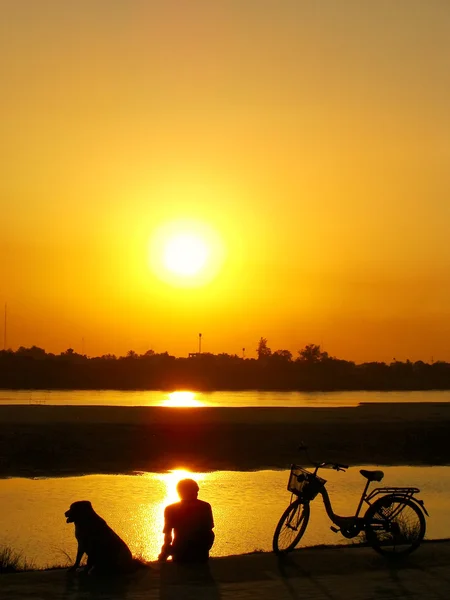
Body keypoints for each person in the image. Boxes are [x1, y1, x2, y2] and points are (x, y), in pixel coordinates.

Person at [158, 478, 215, 563]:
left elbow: (168, 536)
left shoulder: (170, 508)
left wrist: (166, 551)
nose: (196, 493)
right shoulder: (205, 506)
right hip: (198, 551)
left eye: (196, 491)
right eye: (195, 491)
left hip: (182, 550)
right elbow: (209, 531)